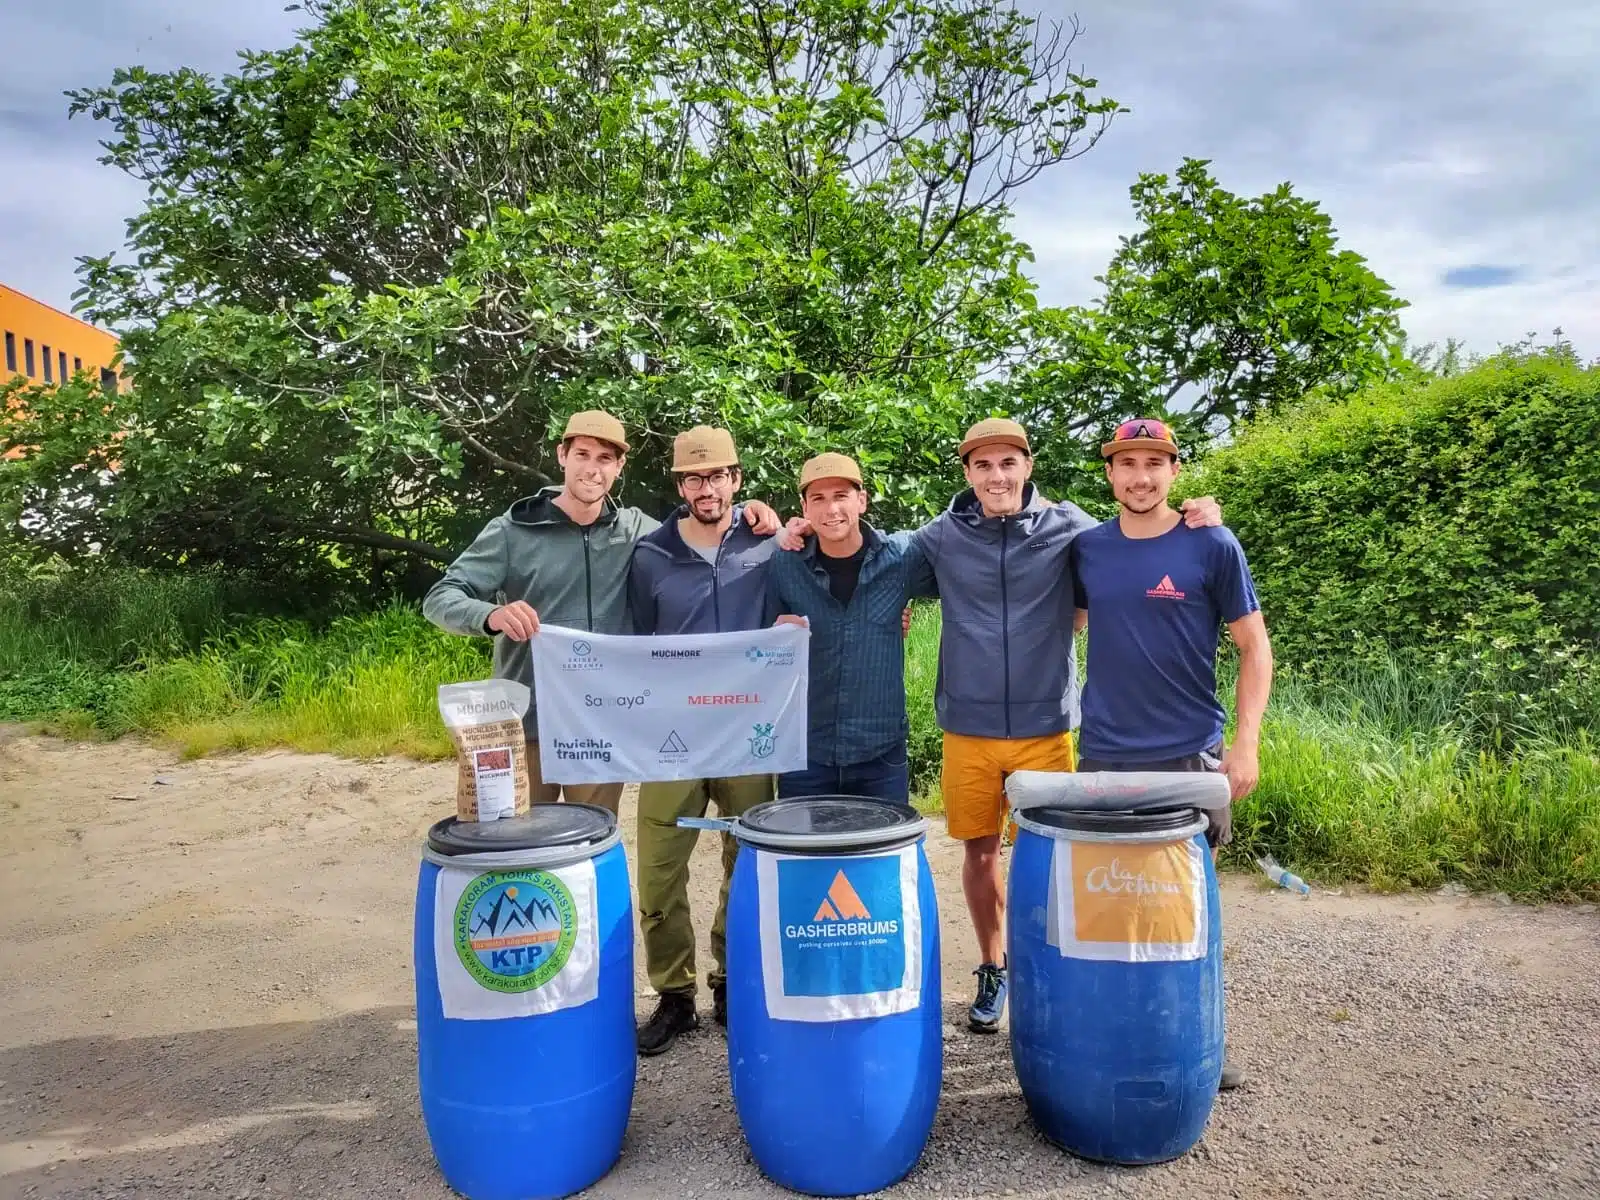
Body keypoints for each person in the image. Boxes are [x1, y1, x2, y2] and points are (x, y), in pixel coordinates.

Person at [781, 417, 1224, 1033]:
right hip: (968, 728)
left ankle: (1048, 972)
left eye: (1008, 463)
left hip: (1047, 727)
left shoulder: (1070, 527)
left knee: (1049, 858)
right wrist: (797, 528)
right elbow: (864, 548)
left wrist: (1198, 515)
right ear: (967, 473)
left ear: (1028, 466)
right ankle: (993, 967)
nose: (997, 476)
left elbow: (1135, 538)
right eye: (983, 465)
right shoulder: (940, 537)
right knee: (980, 853)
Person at [422, 410, 779, 812]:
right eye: (583, 455)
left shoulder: (639, 531)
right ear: (562, 455)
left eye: (605, 458)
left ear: (619, 466)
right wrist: (490, 616)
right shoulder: (512, 532)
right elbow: (441, 597)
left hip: (601, 726)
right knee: (517, 837)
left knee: (592, 837)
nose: (592, 469)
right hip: (527, 724)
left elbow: (700, 522)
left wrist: (749, 511)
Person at [1070, 416, 1274, 1091]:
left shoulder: (1211, 544)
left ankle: (1196, 1045)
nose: (1141, 477)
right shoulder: (1088, 548)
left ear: (1175, 471)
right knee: (1107, 908)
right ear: (1109, 473)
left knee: (1185, 910)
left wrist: (1246, 744)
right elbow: (1061, 619)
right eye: (1127, 464)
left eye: (1154, 464)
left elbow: (1255, 648)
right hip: (1104, 753)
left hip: (1188, 755)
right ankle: (1113, 1041)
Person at [627, 426, 786, 1055]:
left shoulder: (769, 543)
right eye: (693, 478)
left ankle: (730, 981)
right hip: (673, 735)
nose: (706, 488)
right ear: (679, 486)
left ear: (735, 479)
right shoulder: (650, 555)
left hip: (749, 732)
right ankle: (674, 993)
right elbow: (636, 643)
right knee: (659, 866)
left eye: (717, 475)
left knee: (745, 859)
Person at [768, 453, 938, 803]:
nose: (831, 509)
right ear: (804, 508)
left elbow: (965, 557)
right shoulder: (785, 564)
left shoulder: (902, 557)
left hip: (881, 753)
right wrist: (774, 633)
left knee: (885, 841)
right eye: (818, 498)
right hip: (805, 753)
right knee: (799, 841)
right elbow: (758, 639)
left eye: (841, 496)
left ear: (862, 500)